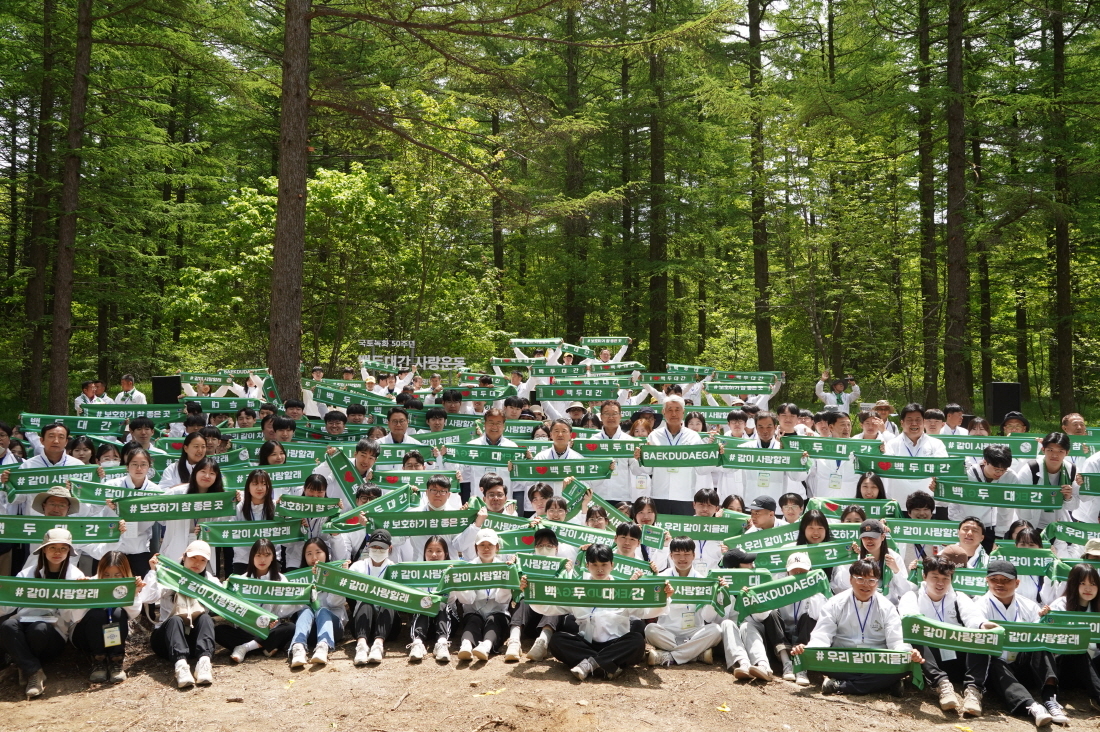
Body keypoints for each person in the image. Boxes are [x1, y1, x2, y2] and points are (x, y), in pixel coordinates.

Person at [529, 542, 673, 681]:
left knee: (636, 642)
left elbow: (646, 612)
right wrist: (530, 593)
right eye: (595, 565)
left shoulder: (624, 589)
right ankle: (608, 665)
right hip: (587, 643)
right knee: (557, 640)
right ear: (587, 566)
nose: (600, 569)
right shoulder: (577, 590)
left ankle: (590, 664)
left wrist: (664, 597)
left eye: (604, 564)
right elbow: (551, 608)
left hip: (616, 644)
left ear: (612, 565)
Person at [792, 558, 921, 696]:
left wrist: (908, 654)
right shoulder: (835, 603)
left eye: (872, 580)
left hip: (876, 661)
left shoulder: (886, 606)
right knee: (823, 662)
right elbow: (822, 635)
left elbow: (896, 641)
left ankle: (840, 685)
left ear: (877, 583)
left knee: (905, 665)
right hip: (844, 659)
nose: (866, 585)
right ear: (851, 579)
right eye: (860, 579)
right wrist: (808, 650)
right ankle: (885, 683)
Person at [972, 559, 1068, 727]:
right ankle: (1031, 706)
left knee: (1040, 643)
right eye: (994, 580)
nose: (999, 584)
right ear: (986, 580)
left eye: (1006, 580)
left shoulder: (1029, 605)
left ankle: (1050, 698)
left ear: (1017, 583)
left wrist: (1047, 622)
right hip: (999, 671)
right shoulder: (980, 606)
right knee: (994, 663)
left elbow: (1040, 633)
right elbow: (975, 626)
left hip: (1024, 667)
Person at [0, 528, 86, 698]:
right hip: (23, 623)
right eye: (53, 547)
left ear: (69, 551)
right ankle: (33, 671)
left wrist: (79, 595)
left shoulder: (75, 576)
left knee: (39, 629)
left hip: (52, 632)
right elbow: (7, 607)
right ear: (44, 549)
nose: (57, 552)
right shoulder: (27, 574)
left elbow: (75, 618)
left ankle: (24, 665)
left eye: (63, 548)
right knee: (7, 625)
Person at [898, 555, 988, 716]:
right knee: (915, 632)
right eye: (935, 577)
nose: (940, 583)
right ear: (924, 576)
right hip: (931, 660)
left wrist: (982, 625)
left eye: (945, 578)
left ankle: (973, 692)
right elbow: (909, 622)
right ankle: (942, 686)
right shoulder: (912, 597)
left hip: (957, 657)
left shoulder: (959, 597)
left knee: (981, 635)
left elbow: (972, 617)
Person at [146, 540, 219, 688]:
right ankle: (181, 667)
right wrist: (154, 571)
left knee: (205, 618)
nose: (197, 563)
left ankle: (204, 662)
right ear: (184, 557)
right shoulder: (170, 576)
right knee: (175, 620)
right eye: (193, 558)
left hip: (192, 642)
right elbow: (149, 597)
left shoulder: (209, 581)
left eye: (202, 560)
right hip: (166, 642)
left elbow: (223, 602)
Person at [216, 538, 300, 662]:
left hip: (269, 629)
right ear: (252, 557)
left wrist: (274, 620)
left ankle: (245, 648)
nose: (262, 560)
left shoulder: (280, 579)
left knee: (290, 628)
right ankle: (265, 646)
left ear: (273, 557)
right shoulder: (241, 580)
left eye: (267, 555)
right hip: (246, 630)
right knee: (218, 631)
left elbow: (284, 609)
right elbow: (233, 611)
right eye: (258, 555)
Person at [645, 537, 723, 666]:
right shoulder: (662, 578)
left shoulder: (702, 580)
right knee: (650, 630)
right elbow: (653, 609)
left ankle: (669, 656)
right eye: (677, 554)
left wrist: (716, 595)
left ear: (694, 555)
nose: (682, 558)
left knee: (716, 630)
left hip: (694, 632)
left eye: (687, 554)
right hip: (667, 631)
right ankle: (696, 653)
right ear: (671, 556)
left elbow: (708, 616)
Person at [633, 397, 717, 516]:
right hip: (659, 495)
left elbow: (701, 469)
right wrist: (639, 459)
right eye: (669, 410)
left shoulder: (693, 437)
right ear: (663, 412)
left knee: (682, 534)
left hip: (685, 496)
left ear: (683, 412)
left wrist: (714, 455)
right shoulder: (654, 436)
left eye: (677, 410)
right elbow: (649, 469)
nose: (673, 414)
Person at [72, 551, 145, 684]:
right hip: (87, 635)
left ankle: (115, 661)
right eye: (106, 575)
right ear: (100, 571)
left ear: (125, 572)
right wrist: (81, 594)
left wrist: (133, 594)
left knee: (118, 612)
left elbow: (132, 614)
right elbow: (75, 617)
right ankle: (97, 661)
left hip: (113, 637)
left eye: (117, 575)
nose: (112, 579)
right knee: (97, 613)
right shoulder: (90, 583)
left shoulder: (127, 585)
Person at [1043, 563, 1100, 712]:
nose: (1088, 589)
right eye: (1083, 583)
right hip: (1064, 667)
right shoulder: (1059, 606)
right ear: (1074, 584)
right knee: (1077, 648)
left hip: (1090, 668)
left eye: (1093, 584)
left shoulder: (1097, 609)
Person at [453, 528, 513, 662]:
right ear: (476, 548)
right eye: (482, 545)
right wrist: (457, 583)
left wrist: (506, 581)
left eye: (490, 545)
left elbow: (502, 599)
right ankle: (466, 645)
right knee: (473, 621)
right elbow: (468, 600)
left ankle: (486, 646)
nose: (486, 549)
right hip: (474, 610)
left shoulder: (505, 567)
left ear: (497, 547)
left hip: (498, 612)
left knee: (494, 621)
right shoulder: (468, 567)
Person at [289, 537, 348, 667]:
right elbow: (294, 607)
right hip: (309, 630)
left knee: (323, 610)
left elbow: (335, 603)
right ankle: (298, 647)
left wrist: (329, 580)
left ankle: (323, 647)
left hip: (332, 628)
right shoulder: (300, 577)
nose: (314, 557)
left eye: (318, 552)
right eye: (309, 554)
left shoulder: (335, 573)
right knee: (304, 611)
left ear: (326, 553)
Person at [831, 519, 912, 602]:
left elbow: (905, 591)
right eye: (865, 537)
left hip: (889, 605)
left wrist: (896, 571)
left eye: (873, 537)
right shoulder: (857, 557)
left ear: (883, 537)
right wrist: (857, 567)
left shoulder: (893, 557)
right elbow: (843, 585)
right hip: (860, 604)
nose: (869, 541)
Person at [881, 404, 948, 502]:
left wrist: (937, 481)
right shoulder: (892, 445)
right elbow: (885, 469)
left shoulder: (936, 444)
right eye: (909, 420)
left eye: (918, 420)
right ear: (902, 423)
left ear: (924, 422)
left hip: (928, 505)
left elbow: (943, 469)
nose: (914, 423)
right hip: (899, 502)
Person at [408, 536, 460, 662]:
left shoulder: (453, 571)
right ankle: (418, 643)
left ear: (446, 553)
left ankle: (442, 643)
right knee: (425, 602)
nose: (434, 554)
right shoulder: (415, 572)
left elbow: (454, 598)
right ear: (424, 553)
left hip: (447, 619)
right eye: (429, 551)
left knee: (440, 602)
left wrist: (452, 578)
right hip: (423, 618)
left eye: (438, 551)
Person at [349, 529, 397, 665]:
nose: (377, 550)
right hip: (362, 623)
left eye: (381, 548)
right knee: (366, 601)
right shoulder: (357, 567)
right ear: (368, 546)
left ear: (390, 548)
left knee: (389, 600)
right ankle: (361, 646)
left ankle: (378, 645)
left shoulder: (395, 570)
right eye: (374, 547)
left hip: (389, 625)